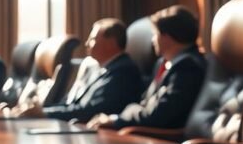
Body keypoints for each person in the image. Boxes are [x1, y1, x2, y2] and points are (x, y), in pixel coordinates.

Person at [88, 6, 206, 130]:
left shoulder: (188, 68)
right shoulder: (163, 63)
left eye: (155, 34)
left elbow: (158, 115)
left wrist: (117, 120)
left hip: (164, 139)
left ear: (167, 37)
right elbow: (144, 103)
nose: (152, 40)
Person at [8, 19, 145, 121]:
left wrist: (45, 113)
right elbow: (69, 103)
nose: (87, 44)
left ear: (111, 43)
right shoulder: (94, 68)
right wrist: (40, 111)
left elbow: (92, 110)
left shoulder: (124, 72)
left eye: (92, 39)